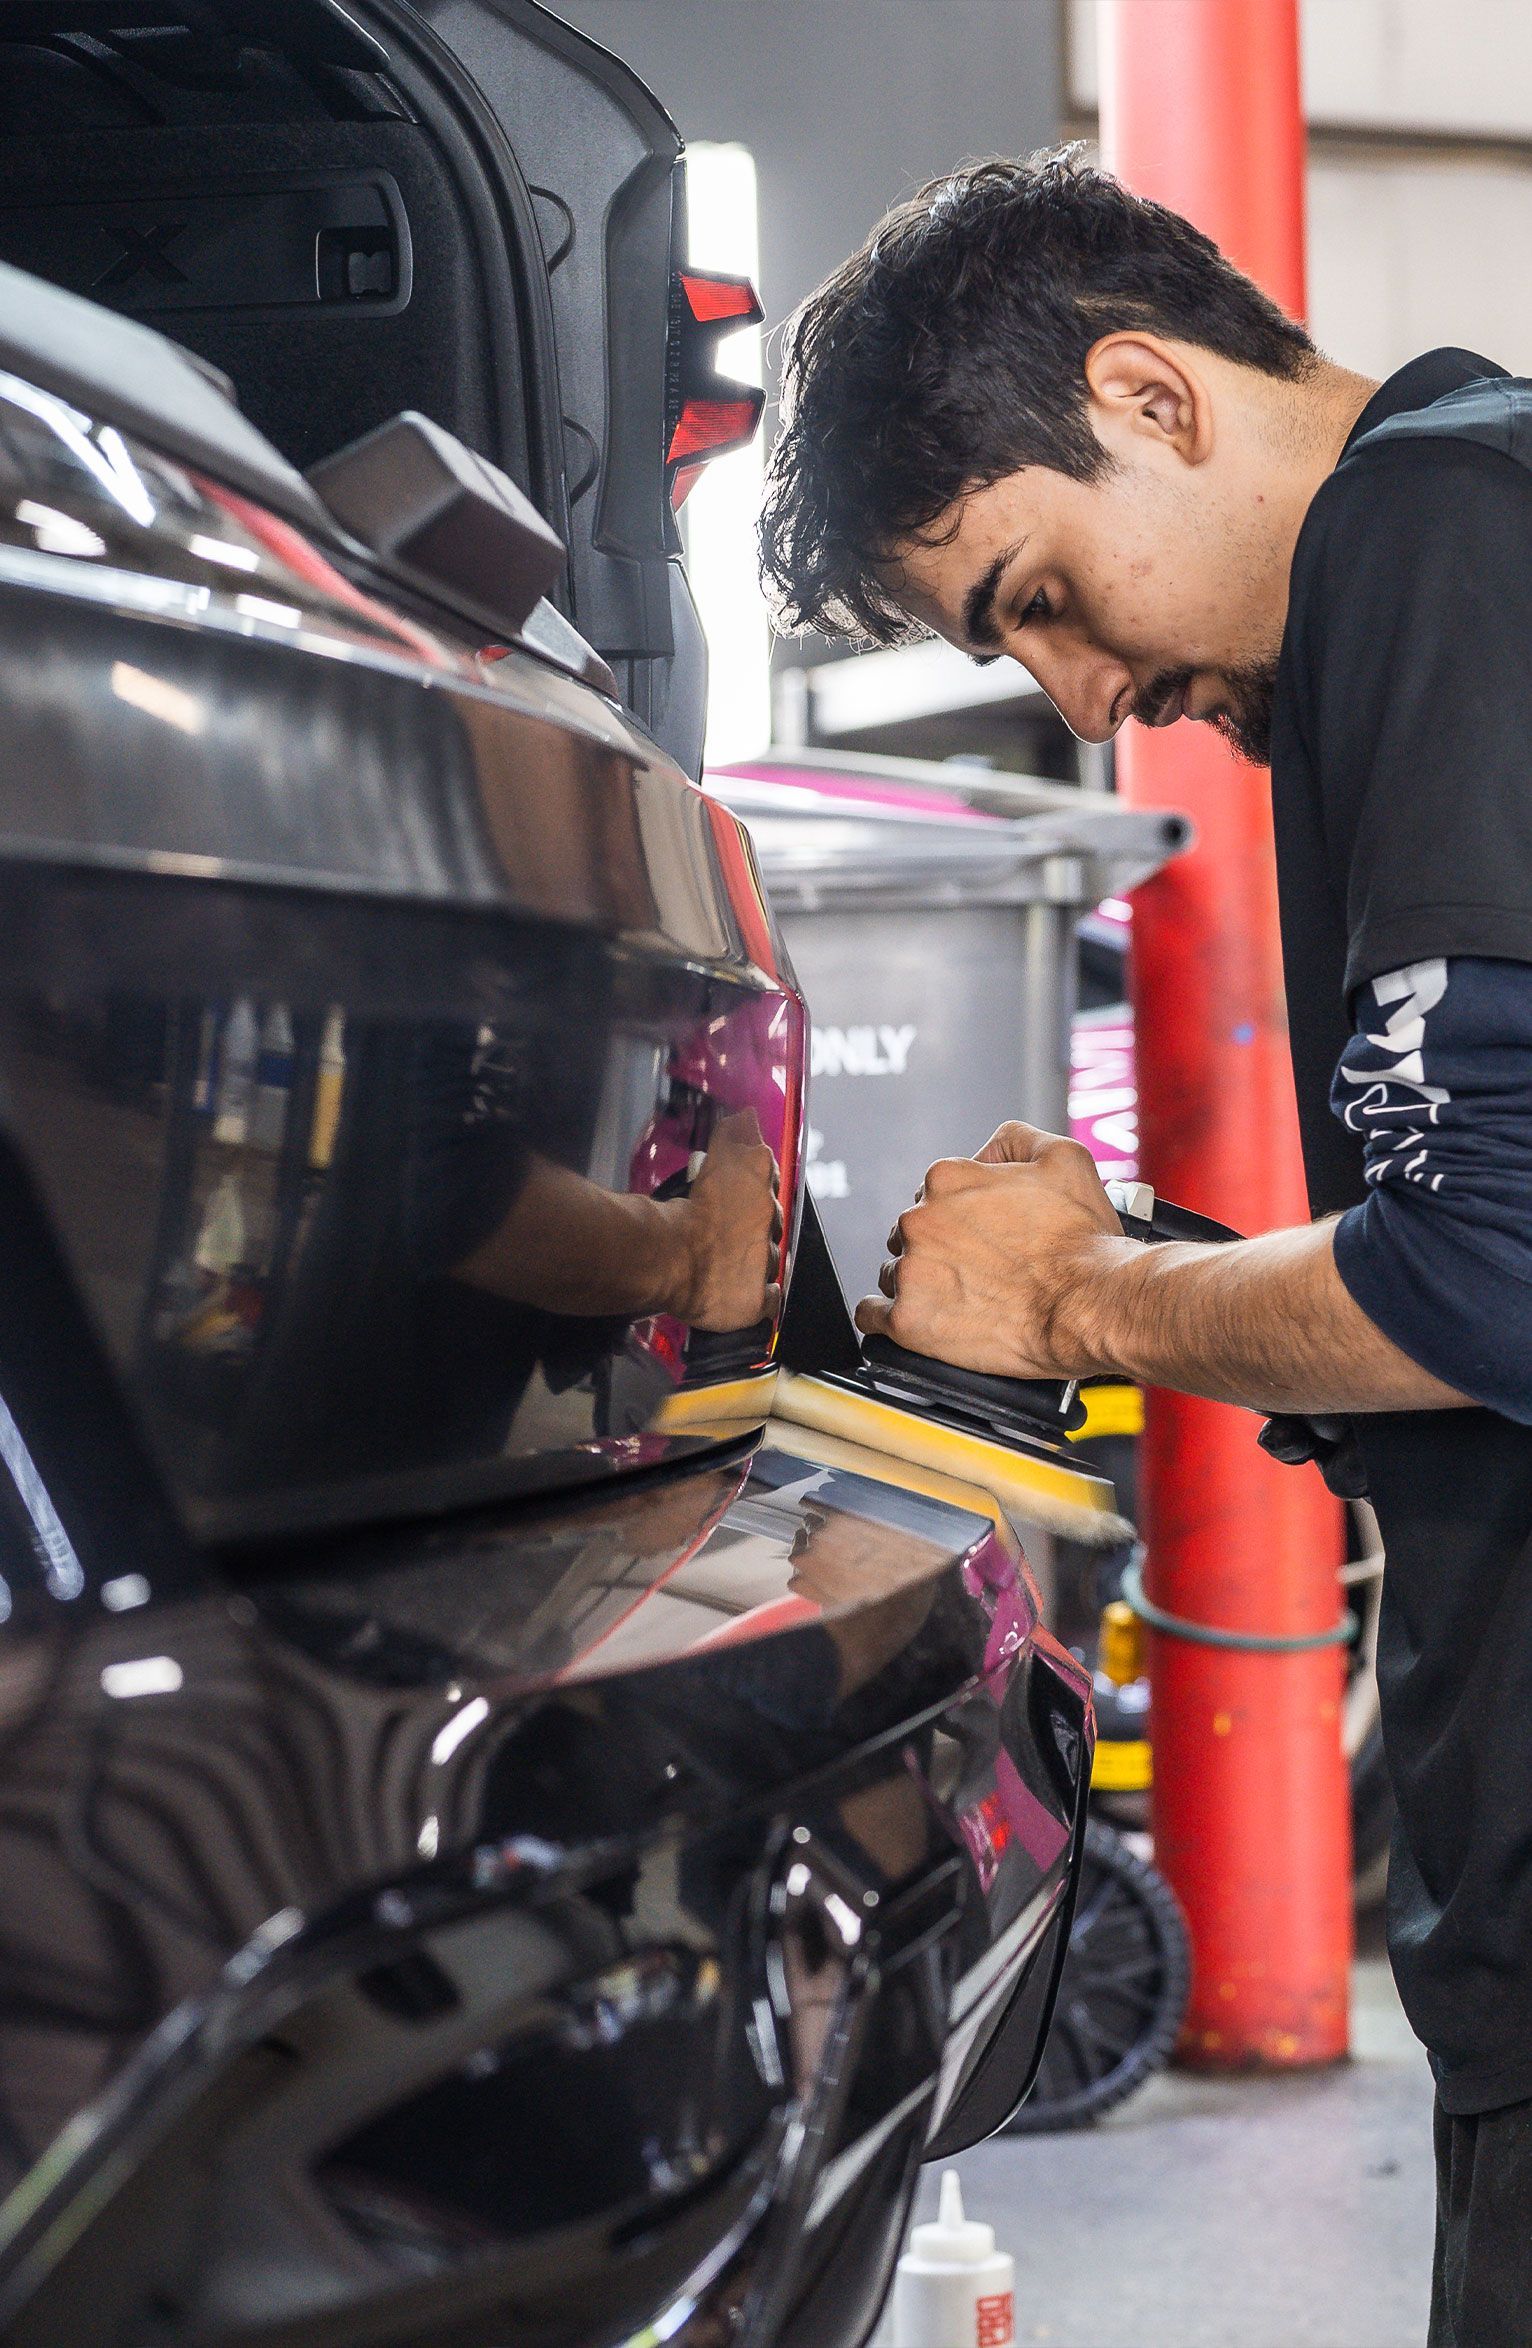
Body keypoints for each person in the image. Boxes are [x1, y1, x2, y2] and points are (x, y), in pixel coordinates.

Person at [758, 147, 1532, 2346]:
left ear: (1150, 395)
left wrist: (1081, 1295)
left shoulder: (1429, 533)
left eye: (1032, 590)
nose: (1083, 698)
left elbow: (1496, 1272)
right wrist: (1145, 1252)